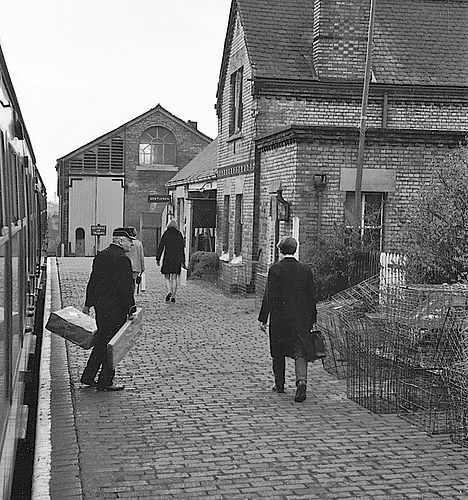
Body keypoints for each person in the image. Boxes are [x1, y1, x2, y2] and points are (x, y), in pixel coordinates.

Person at [258, 237, 317, 403]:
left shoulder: (275, 269)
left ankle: (280, 384)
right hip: (301, 318)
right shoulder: (305, 269)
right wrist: (312, 318)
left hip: (280, 317)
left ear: (280, 250)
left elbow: (270, 295)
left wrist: (263, 318)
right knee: (300, 352)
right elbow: (311, 296)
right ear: (295, 250)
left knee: (278, 352)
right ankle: (301, 382)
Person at [81, 227, 136, 392]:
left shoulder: (101, 255)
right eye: (129, 241)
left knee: (101, 341)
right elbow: (126, 289)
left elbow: (93, 281)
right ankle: (105, 381)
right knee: (111, 345)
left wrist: (88, 304)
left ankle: (89, 376)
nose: (131, 244)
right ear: (120, 240)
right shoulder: (123, 260)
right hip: (116, 309)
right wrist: (131, 309)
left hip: (101, 307)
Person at [156, 219, 186, 303]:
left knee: (167, 277)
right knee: (174, 278)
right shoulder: (179, 234)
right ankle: (173, 296)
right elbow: (181, 249)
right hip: (176, 258)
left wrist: (158, 258)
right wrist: (183, 261)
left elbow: (161, 247)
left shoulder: (166, 234)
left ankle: (169, 291)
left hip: (168, 257)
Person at [127, 226, 145, 292]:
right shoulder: (139, 243)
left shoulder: (126, 243)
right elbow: (141, 257)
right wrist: (143, 268)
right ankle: (132, 295)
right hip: (136, 266)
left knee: (127, 282)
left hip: (127, 265)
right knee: (133, 282)